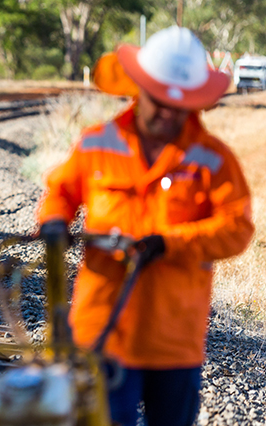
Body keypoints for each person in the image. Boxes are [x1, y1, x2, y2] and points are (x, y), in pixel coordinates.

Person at [37, 26, 254, 426]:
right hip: (103, 327)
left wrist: (171, 243)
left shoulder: (213, 159)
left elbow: (236, 228)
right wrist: (53, 221)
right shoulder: (96, 143)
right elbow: (60, 192)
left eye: (181, 106)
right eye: (159, 102)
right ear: (139, 91)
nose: (168, 113)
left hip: (174, 337)